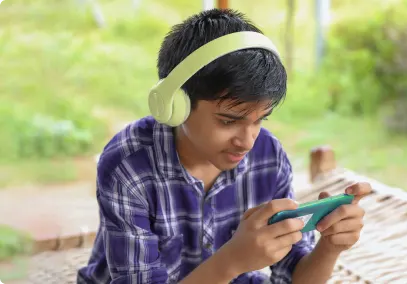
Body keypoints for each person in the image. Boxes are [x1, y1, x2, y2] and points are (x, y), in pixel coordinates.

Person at [77, 8, 371, 284]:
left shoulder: (268, 157)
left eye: (260, 120)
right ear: (174, 106)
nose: (247, 141)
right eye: (229, 121)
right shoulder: (128, 165)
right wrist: (233, 260)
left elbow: (293, 276)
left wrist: (330, 247)